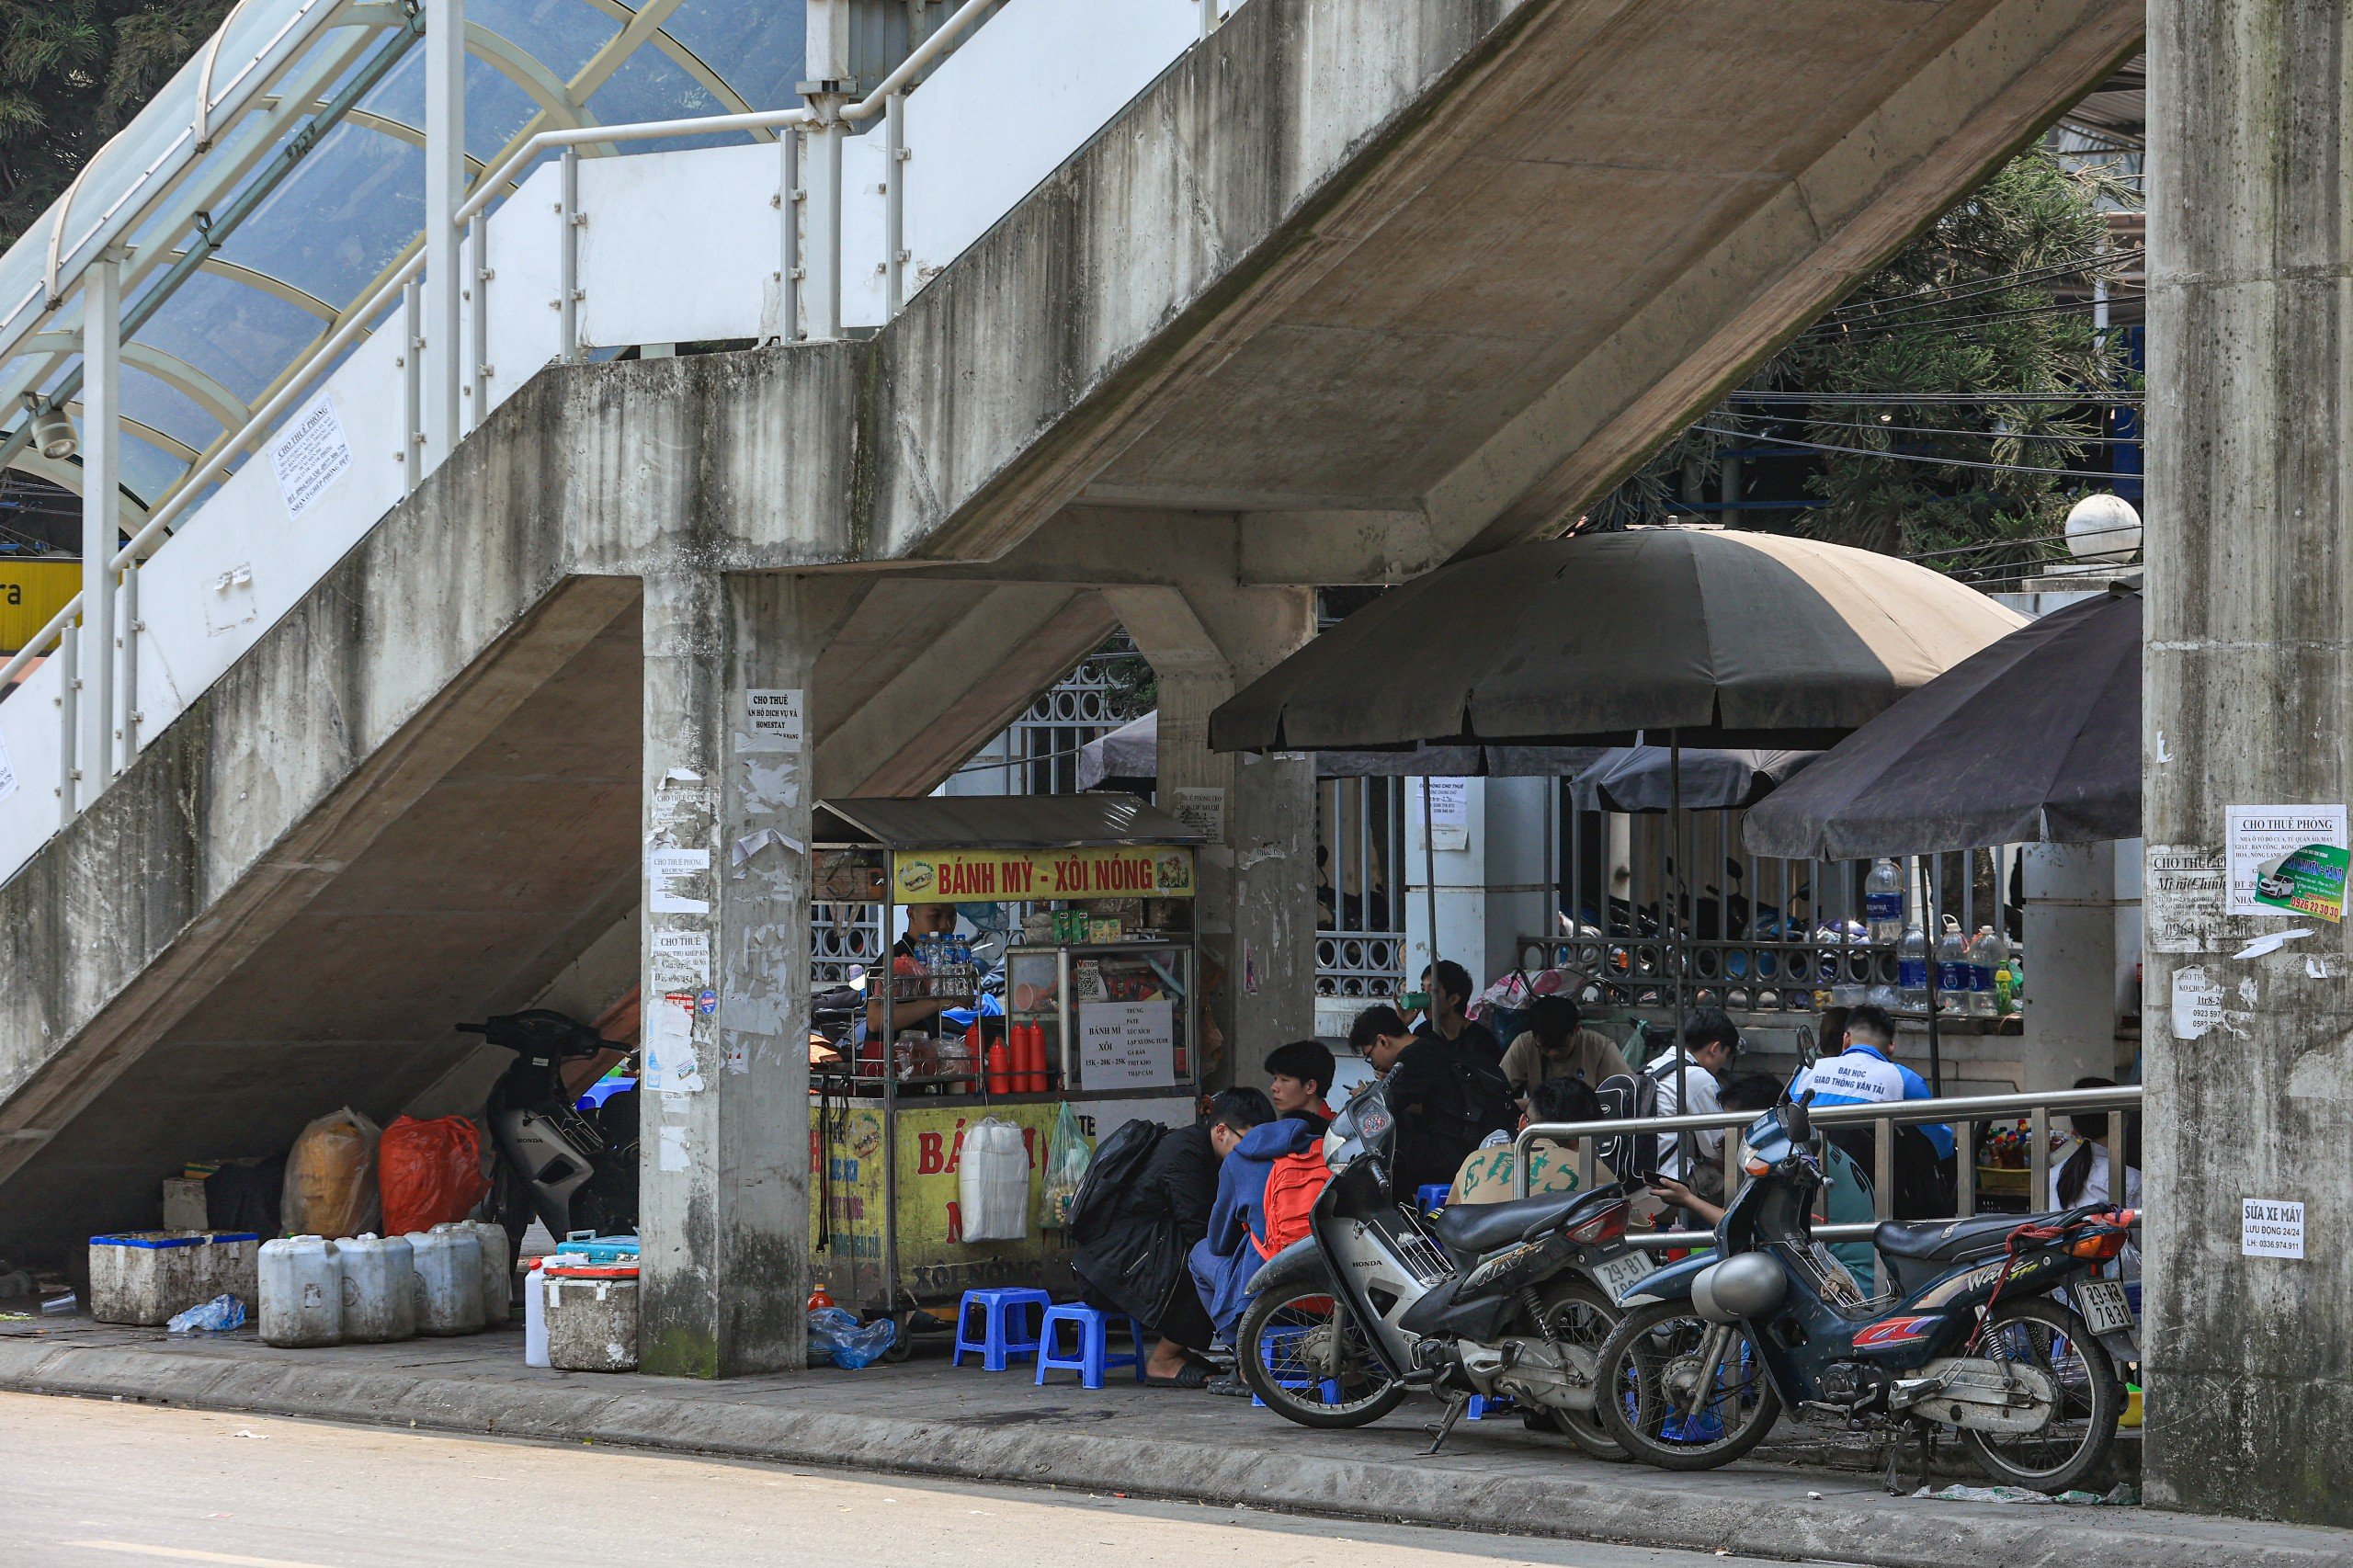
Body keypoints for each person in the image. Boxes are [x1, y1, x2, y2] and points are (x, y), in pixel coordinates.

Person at [1074, 1088, 1275, 1386]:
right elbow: (1199, 1231)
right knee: (1211, 1267)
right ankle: (1163, 1361)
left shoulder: (1209, 1152)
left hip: (1140, 1258)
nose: (1255, 1153)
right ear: (1221, 1131)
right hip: (1114, 1271)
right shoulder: (1186, 1153)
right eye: (1249, 1142)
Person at [1646, 1072, 1878, 1290]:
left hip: (1844, 1282)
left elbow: (1743, 1228)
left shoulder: (1790, 1158)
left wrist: (1687, 1199)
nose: (1727, 1134)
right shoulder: (1809, 1144)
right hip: (1849, 1271)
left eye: (1735, 1124)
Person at [1189, 1091, 1324, 1382]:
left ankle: (1244, 1359)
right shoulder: (1323, 1154)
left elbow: (1219, 1242)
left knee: (1199, 1255)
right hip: (1331, 1290)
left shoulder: (1239, 1161)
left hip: (1266, 1294)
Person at [1789, 1004, 1956, 1219]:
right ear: (1891, 1047)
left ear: (1846, 1039)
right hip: (1879, 1196)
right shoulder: (1904, 1080)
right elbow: (1940, 1145)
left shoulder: (1806, 1073)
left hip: (1809, 1193)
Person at [1383, 995, 1518, 1200]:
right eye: (1423, 989)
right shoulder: (1426, 1034)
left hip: (1465, 1138)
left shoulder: (1474, 1039)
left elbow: (1393, 1102)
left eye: (1432, 989)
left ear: (1454, 997)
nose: (1426, 995)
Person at [1447, 1077, 1617, 1205]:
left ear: (1522, 1123)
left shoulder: (1474, 1161)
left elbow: (1448, 1221)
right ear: (1585, 1136)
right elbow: (1632, 1228)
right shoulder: (1591, 1169)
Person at [2052, 1076, 2141, 1279]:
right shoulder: (2132, 1180)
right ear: (2121, 1121)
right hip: (2119, 1287)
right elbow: (2145, 1245)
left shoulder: (2051, 1176)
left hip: (2059, 1290)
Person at [1644, 1008, 1740, 1178]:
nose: (1723, 1062)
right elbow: (1716, 1149)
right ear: (1715, 1048)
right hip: (1667, 1181)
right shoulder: (1697, 1077)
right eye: (1725, 1054)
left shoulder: (1653, 1067)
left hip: (1636, 1177)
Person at [860, 902, 961, 1040]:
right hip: (889, 1057)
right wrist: (938, 1003)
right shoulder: (894, 959)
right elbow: (875, 1020)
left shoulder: (936, 958)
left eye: (952, 916)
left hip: (923, 1054)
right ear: (911, 913)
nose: (945, 925)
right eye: (935, 916)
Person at [1498, 994, 1631, 1096]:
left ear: (1576, 1029)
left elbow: (1629, 1091)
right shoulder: (1524, 1045)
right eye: (1544, 1047)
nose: (1553, 1053)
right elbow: (1497, 1090)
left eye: (1561, 1046)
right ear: (1533, 1035)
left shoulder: (1601, 1049)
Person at [1414, 960, 1505, 1068]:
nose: (1425, 997)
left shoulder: (1481, 1042)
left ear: (1453, 999)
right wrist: (1402, 1023)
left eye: (1433, 991)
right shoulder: (1423, 1032)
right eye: (1423, 989)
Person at [1263, 1039, 1337, 1131]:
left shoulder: (1337, 1132)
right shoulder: (1281, 1129)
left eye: (1284, 1080)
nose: (1273, 1087)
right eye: (1275, 1078)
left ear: (1310, 1087)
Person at [1348, 1005, 1417, 1079]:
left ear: (1382, 1041)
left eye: (1370, 1056)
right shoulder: (1423, 1037)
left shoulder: (1410, 1067)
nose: (1375, 1066)